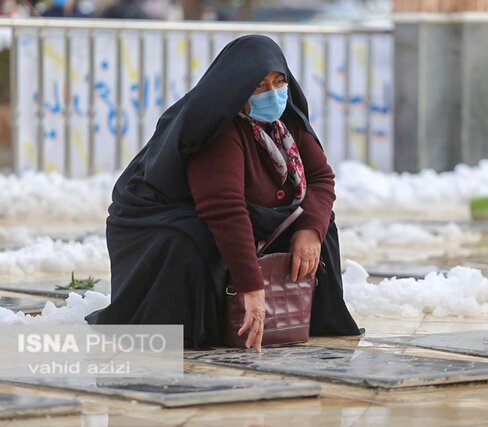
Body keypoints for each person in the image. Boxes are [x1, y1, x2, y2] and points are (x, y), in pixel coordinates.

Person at [85, 35, 361, 352]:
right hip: (164, 218)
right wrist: (252, 288)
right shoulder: (217, 130)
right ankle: (217, 323)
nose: (272, 93)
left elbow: (320, 177)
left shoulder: (287, 123)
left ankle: (305, 316)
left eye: (279, 81)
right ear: (238, 88)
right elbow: (224, 209)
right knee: (191, 240)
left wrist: (310, 231)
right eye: (259, 86)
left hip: (249, 213)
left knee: (321, 227)